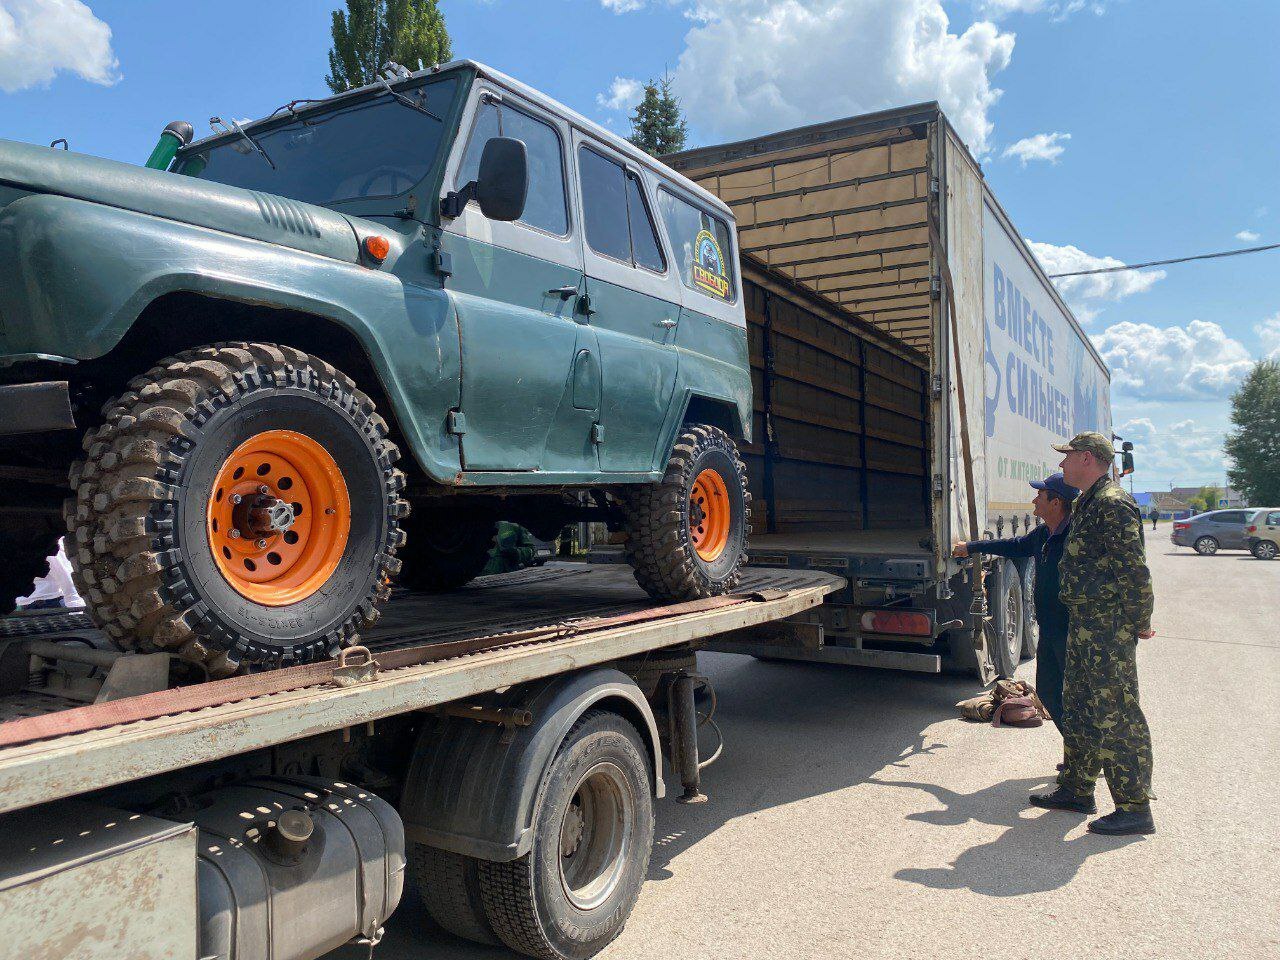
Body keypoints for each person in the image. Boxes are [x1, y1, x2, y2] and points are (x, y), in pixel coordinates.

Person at [1030, 432, 1156, 836]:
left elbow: (1133, 569)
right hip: (1084, 624)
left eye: (1067, 458)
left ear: (1086, 458)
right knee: (1080, 705)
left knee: (1115, 712)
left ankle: (1135, 807)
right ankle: (1077, 789)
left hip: (1106, 627)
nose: (1062, 466)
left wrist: (1139, 620)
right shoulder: (1089, 501)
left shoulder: (1113, 503)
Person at [952, 472, 1078, 728]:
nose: (1034, 501)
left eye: (1040, 495)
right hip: (1049, 629)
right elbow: (1013, 545)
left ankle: (1083, 759)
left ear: (1056, 503)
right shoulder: (1044, 534)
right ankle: (1077, 752)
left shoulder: (1076, 537)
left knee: (1075, 697)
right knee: (1048, 692)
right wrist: (973, 547)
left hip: (1072, 631)